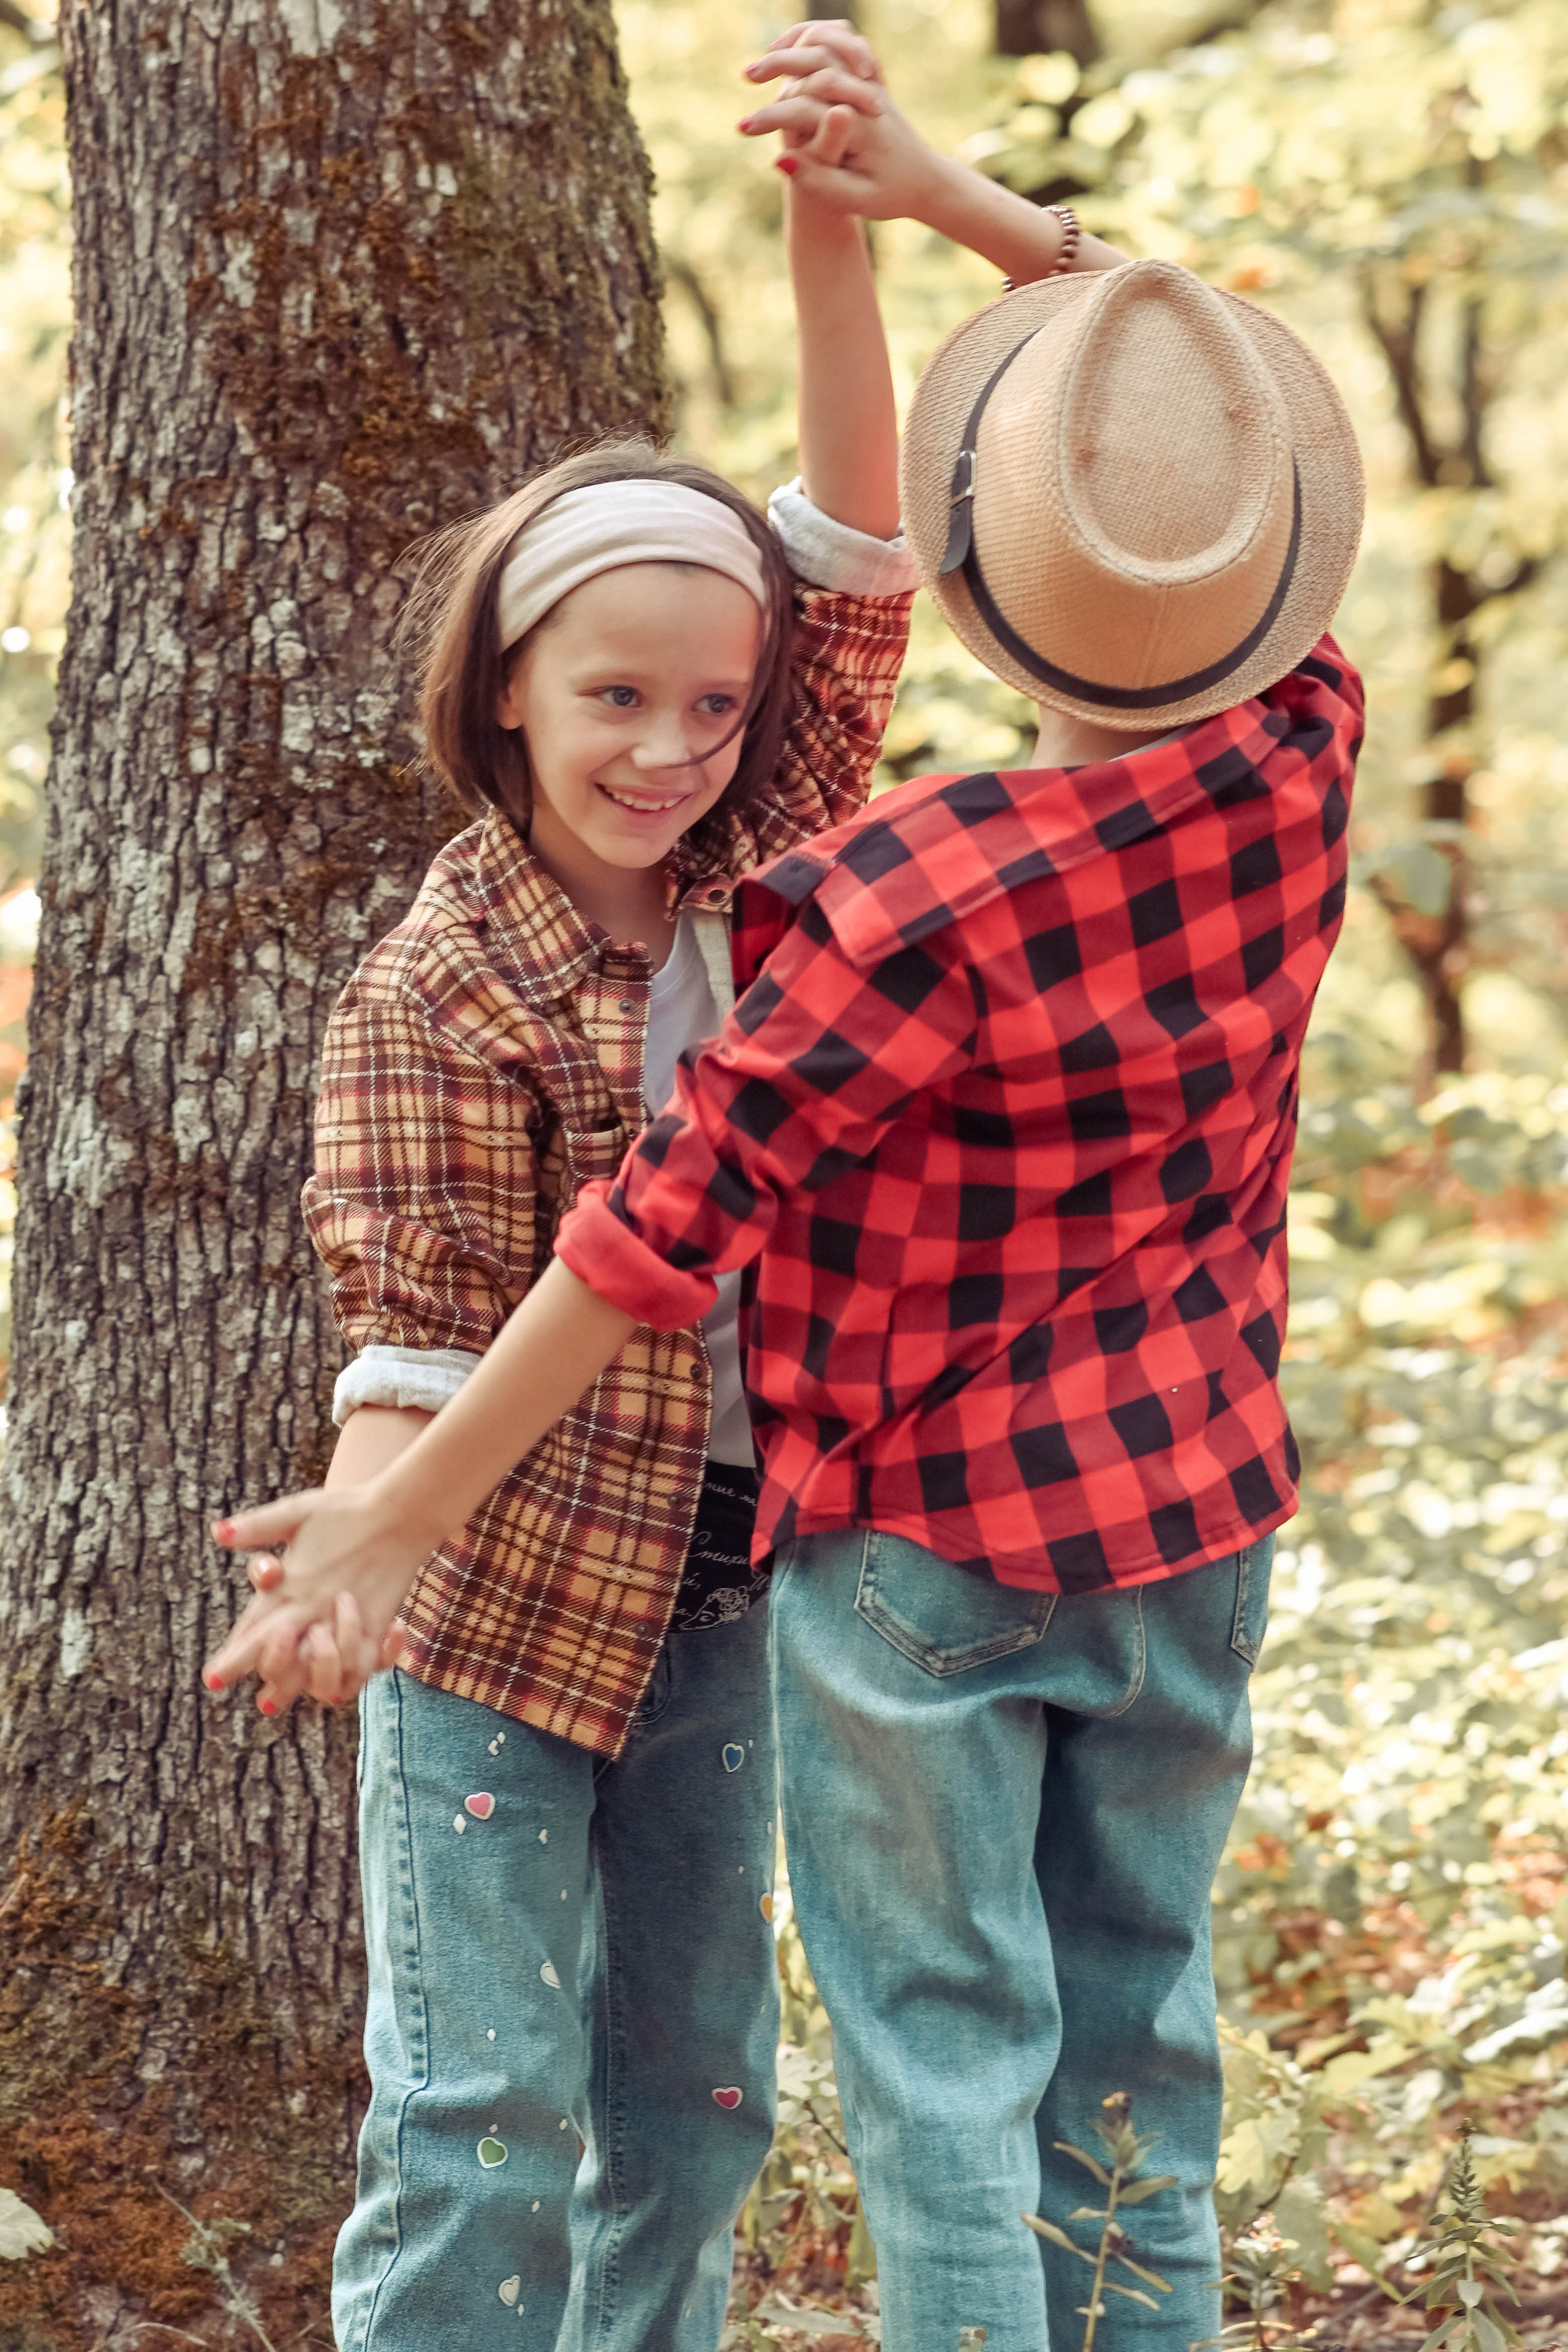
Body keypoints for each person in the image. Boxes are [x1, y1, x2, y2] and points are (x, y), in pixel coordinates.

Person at [206, 29, 1367, 2352]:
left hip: (817, 1558)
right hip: (568, 1585)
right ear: (506, 692)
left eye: (713, 710)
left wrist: (841, 214)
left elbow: (899, 525)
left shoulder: (842, 868)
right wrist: (915, 206)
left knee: (779, 2091)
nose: (669, 749)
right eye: (614, 701)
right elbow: (440, 1299)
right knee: (509, 2113)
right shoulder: (1292, 744)